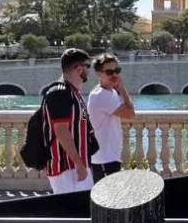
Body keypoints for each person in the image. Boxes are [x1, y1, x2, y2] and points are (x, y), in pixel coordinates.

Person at [41, 48, 98, 194]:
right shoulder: (61, 93)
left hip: (75, 166)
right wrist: (79, 164)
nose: (89, 71)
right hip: (66, 168)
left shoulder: (72, 92)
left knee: (82, 212)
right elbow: (61, 131)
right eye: (88, 66)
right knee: (72, 213)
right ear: (79, 68)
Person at [87, 53, 135, 182]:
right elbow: (130, 114)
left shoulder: (110, 92)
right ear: (98, 74)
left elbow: (127, 111)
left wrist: (119, 90)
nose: (114, 75)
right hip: (104, 158)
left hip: (108, 156)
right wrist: (123, 89)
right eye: (109, 72)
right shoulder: (101, 95)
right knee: (106, 198)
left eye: (117, 70)